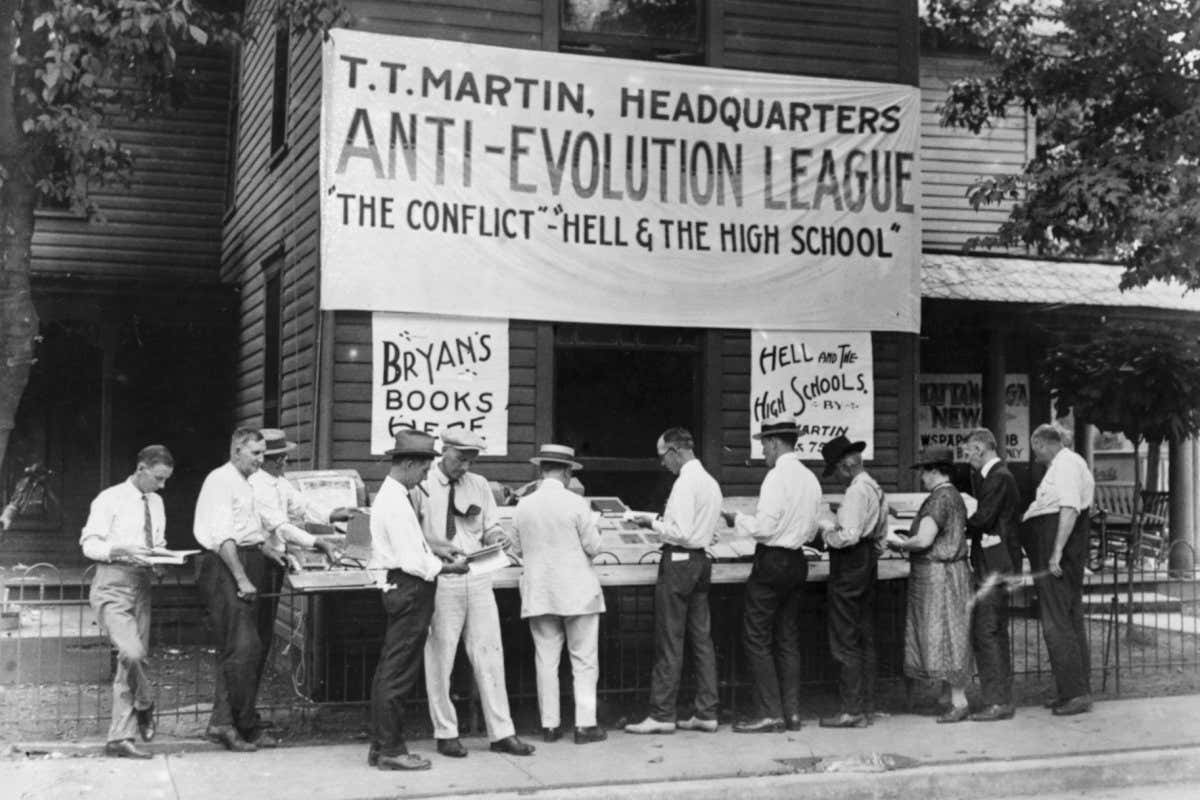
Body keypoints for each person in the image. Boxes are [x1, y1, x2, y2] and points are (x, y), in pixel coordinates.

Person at [413, 429, 534, 759]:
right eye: (460, 459)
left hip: (478, 576)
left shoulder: (479, 485)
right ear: (445, 452)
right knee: (440, 656)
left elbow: (490, 525)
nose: (465, 467)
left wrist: (498, 536)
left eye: (471, 461)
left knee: (490, 653)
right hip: (442, 578)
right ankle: (445, 731)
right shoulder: (422, 486)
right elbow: (414, 536)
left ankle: (502, 732)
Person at [366, 430, 469, 771]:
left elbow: (412, 544)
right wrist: (449, 567)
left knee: (390, 670)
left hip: (401, 587)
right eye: (424, 469)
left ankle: (381, 745)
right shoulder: (396, 501)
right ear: (409, 464)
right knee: (398, 673)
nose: (427, 475)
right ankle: (392, 750)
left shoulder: (396, 495)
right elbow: (412, 560)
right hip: (410, 587)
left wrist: (434, 547)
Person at [719, 420, 819, 733]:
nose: (763, 450)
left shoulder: (776, 478)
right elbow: (813, 529)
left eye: (764, 443)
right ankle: (792, 713)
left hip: (772, 560)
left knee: (756, 636)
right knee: (787, 638)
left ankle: (769, 713)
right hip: (797, 561)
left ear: (775, 443)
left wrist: (738, 519)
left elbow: (764, 529)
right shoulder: (810, 478)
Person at [626, 427, 722, 735]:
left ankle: (662, 713)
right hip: (702, 562)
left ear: (674, 452)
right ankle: (707, 711)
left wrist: (650, 522)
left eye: (662, 457)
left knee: (670, 639)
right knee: (702, 640)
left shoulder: (684, 484)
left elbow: (678, 531)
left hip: (679, 561)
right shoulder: (709, 482)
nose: (661, 464)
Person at [80, 444, 175, 759]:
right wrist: (119, 550)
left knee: (130, 661)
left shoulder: (157, 502)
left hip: (142, 584)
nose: (162, 486)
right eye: (158, 478)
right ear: (141, 469)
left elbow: (156, 541)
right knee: (132, 653)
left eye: (165, 480)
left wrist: (162, 558)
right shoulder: (109, 499)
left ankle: (119, 738)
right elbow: (89, 543)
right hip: (112, 583)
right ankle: (145, 703)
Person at [510, 444, 607, 745]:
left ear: (541, 470)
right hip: (578, 592)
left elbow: (515, 548)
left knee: (546, 660)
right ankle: (585, 725)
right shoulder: (577, 504)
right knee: (584, 661)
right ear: (567, 472)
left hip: (540, 592)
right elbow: (594, 546)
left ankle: (549, 725)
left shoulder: (523, 506)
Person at [193, 428, 276, 752]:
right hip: (226, 566)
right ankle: (231, 724)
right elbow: (224, 536)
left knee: (244, 650)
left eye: (262, 453)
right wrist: (241, 578)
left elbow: (249, 530)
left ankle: (231, 721)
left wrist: (267, 551)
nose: (260, 460)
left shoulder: (246, 483)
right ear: (237, 449)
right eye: (255, 453)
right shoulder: (220, 481)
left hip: (248, 560)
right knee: (242, 648)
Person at [888, 446, 973, 723]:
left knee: (944, 633)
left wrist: (900, 544)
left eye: (924, 470)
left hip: (939, 576)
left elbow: (924, 540)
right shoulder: (955, 496)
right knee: (951, 632)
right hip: (953, 572)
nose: (922, 476)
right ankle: (948, 697)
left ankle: (959, 702)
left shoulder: (939, 499)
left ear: (936, 471)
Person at [1022, 423, 1096, 716]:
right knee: (1069, 618)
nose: (1036, 456)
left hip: (1059, 550)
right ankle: (1075, 688)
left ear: (1041, 443)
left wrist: (1055, 553)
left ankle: (1075, 693)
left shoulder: (1065, 464)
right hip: (1060, 547)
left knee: (1056, 622)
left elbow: (1069, 508)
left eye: (1035, 450)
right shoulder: (1069, 463)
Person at [817, 435, 888, 729]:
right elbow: (880, 536)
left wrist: (825, 534)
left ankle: (851, 710)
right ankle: (866, 704)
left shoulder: (856, 492)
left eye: (836, 469)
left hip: (849, 562)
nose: (837, 476)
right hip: (868, 560)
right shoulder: (875, 486)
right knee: (863, 633)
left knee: (844, 635)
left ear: (847, 464)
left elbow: (848, 535)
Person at [962, 428, 1022, 722]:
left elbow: (984, 518)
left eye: (968, 451)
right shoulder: (996, 476)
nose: (966, 457)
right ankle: (1001, 698)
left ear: (980, 448)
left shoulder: (997, 477)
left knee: (986, 631)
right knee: (994, 631)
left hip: (993, 566)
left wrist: (958, 521)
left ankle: (997, 702)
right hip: (998, 564)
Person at [249, 428, 350, 568]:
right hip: (259, 557)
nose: (285, 462)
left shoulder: (279, 481)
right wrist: (320, 543)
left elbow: (303, 506)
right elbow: (282, 528)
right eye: (284, 457)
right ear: (278, 460)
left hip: (277, 553)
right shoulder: (257, 485)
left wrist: (332, 515)